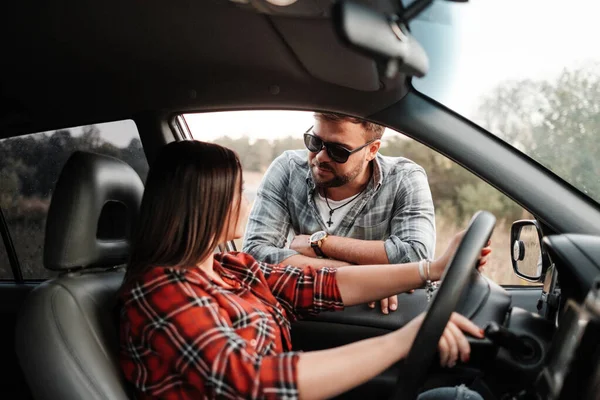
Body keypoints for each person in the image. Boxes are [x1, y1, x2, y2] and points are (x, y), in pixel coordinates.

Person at [119, 140, 490, 400]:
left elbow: (323, 284)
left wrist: (434, 268)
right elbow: (248, 383)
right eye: (237, 193)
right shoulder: (161, 291)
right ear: (205, 205)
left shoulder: (231, 268)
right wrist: (400, 342)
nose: (247, 203)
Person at [242, 113, 436, 314]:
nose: (320, 157)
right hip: (299, 313)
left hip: (369, 318)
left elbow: (416, 258)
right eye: (315, 142)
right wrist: (365, 275)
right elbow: (254, 254)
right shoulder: (288, 169)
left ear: (372, 150)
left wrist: (320, 243)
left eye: (338, 151)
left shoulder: (404, 179)